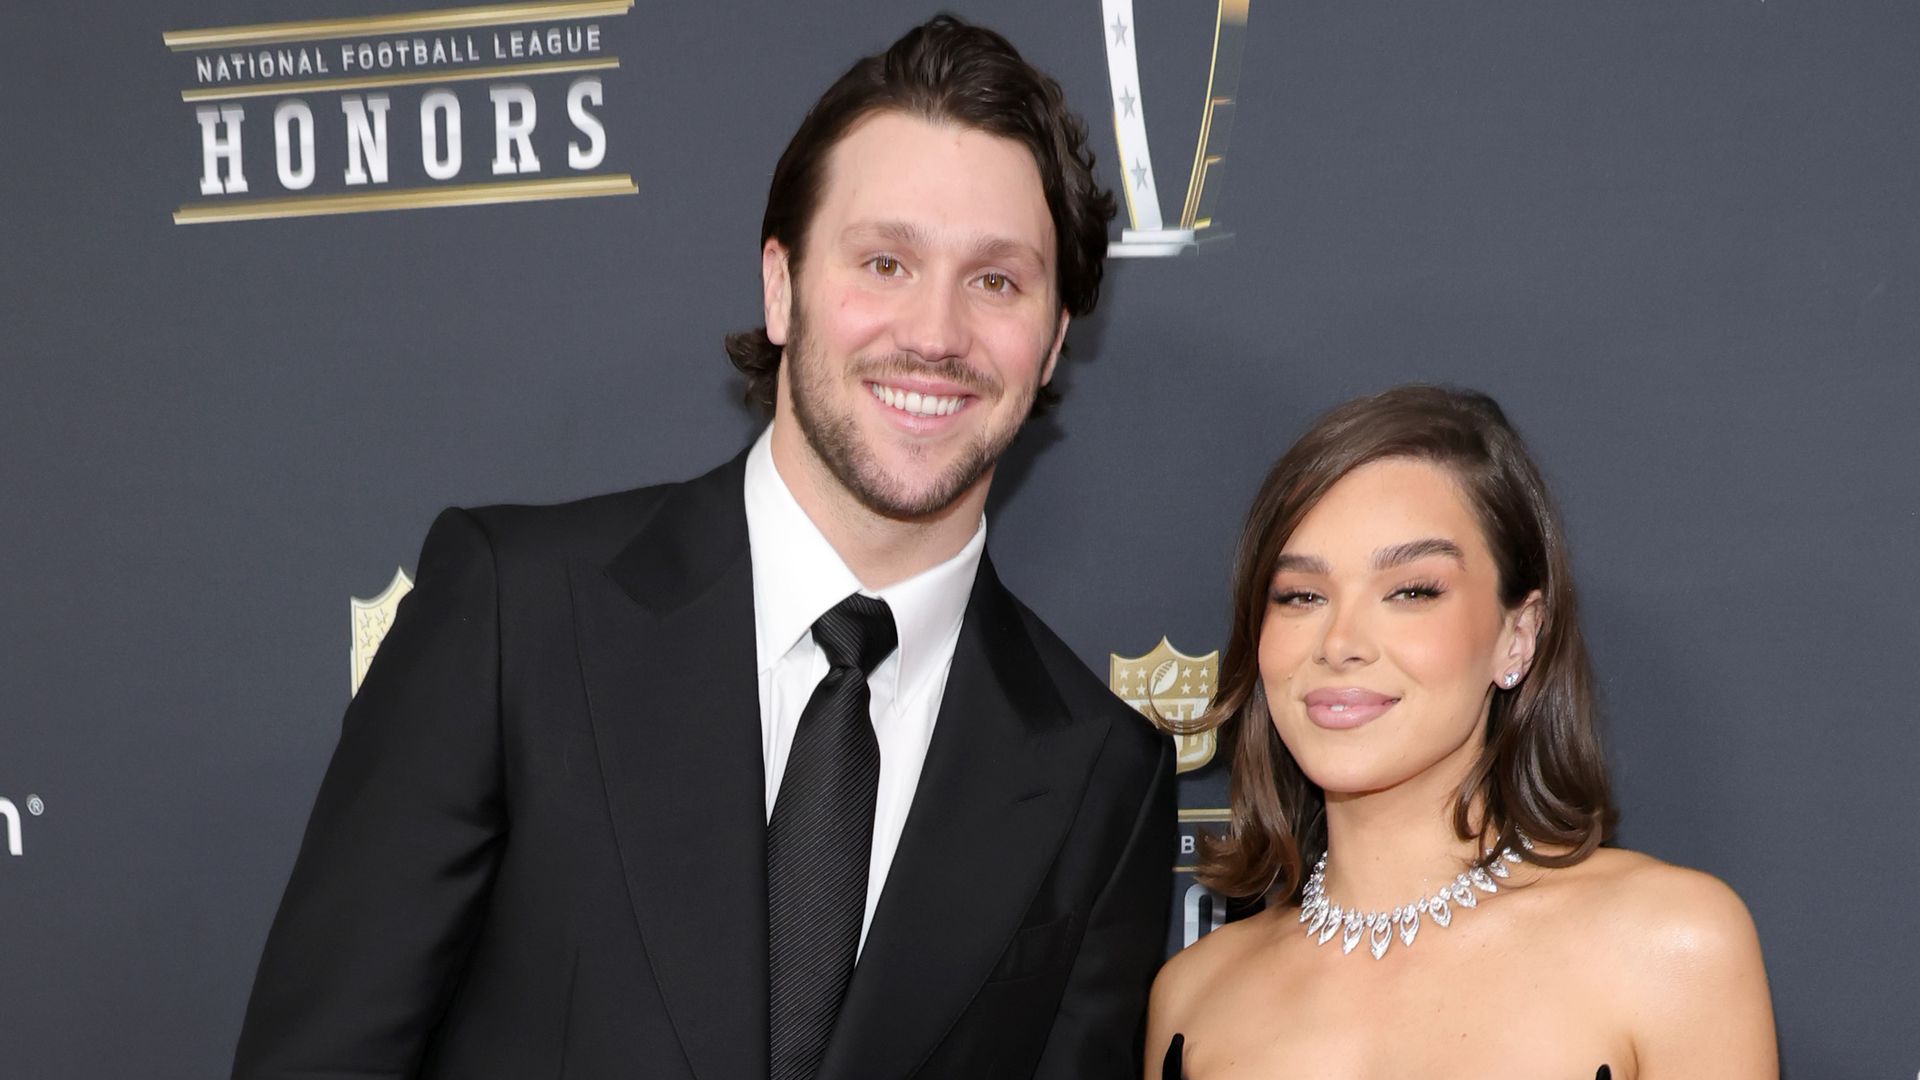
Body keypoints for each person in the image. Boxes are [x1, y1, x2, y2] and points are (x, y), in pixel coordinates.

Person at [232, 17, 1174, 1080]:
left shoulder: (1103, 775)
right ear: (781, 287)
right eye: (885, 260)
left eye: (996, 281)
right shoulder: (518, 616)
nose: (936, 332)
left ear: (1051, 340)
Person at [1146, 387, 1775, 1079]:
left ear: (1518, 634)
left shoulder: (1668, 945)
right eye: (1301, 596)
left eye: (1411, 591)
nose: (1340, 641)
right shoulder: (1194, 996)